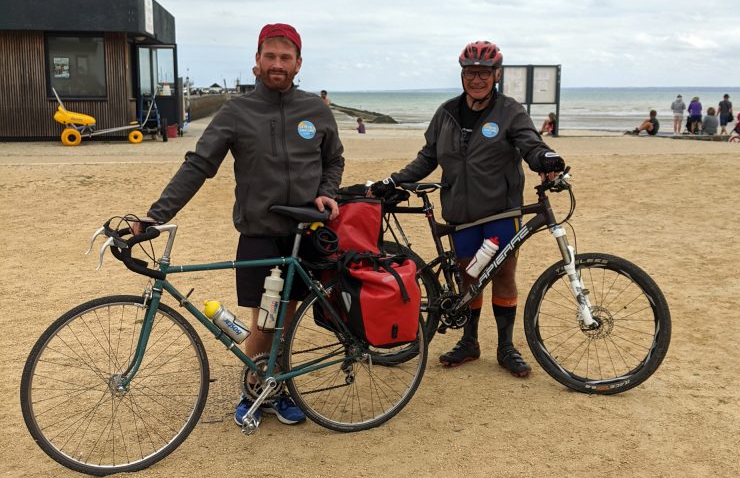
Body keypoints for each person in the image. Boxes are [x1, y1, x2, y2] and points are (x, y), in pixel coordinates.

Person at [130, 23, 345, 428]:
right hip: (259, 231)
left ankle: (277, 391)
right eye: (270, 56)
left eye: (286, 57)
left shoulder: (315, 110)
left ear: (298, 64)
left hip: (304, 232)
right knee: (264, 320)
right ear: (257, 61)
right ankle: (253, 389)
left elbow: (334, 158)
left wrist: (327, 191)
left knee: (286, 315)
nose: (277, 64)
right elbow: (198, 165)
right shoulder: (236, 111)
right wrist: (157, 214)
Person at [369, 41, 565, 378]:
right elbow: (427, 157)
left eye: (484, 73)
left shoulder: (510, 111)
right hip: (460, 213)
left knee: (503, 275)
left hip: (500, 212)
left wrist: (545, 158)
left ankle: (505, 347)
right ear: (462, 75)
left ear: (496, 75)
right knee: (468, 276)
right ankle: (470, 342)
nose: (477, 79)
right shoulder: (446, 112)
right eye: (470, 72)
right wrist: (395, 180)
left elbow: (530, 143)